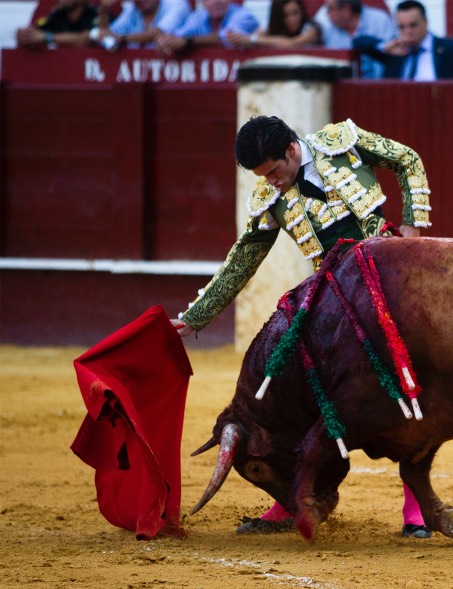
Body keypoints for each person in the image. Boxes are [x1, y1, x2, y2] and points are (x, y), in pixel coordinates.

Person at [170, 115, 433, 538]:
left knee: (409, 382)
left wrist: (413, 224)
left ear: (293, 150)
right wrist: (196, 316)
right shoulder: (268, 198)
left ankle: (417, 506)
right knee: (299, 388)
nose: (271, 182)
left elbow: (407, 159)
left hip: (390, 278)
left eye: (274, 171)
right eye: (263, 176)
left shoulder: (340, 143)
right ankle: (291, 498)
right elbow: (243, 258)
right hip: (334, 295)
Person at [353, 0, 453, 80]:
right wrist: (384, 47)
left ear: (426, 23)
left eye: (413, 25)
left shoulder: (449, 49)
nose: (408, 31)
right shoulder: (395, 51)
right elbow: (359, 42)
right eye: (402, 27)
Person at [305, 0, 397, 79]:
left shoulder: (380, 21)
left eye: (329, 9)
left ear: (346, 10)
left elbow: (394, 57)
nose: (326, 14)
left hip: (379, 90)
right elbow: (303, 37)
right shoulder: (328, 26)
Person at [154, 0, 258, 56]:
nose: (217, 1)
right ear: (202, 2)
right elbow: (179, 36)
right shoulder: (199, 16)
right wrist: (165, 41)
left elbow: (227, 38)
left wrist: (187, 41)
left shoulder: (243, 15)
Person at [89, 0, 190, 51]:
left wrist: (121, 39)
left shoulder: (177, 4)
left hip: (170, 75)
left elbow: (157, 33)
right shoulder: (131, 9)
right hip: (133, 77)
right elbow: (106, 37)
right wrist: (103, 10)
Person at [225, 0, 318, 50]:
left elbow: (292, 43)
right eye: (285, 15)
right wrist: (239, 40)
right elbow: (251, 39)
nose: (292, 19)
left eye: (295, 13)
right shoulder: (270, 25)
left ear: (302, 11)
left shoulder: (312, 28)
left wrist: (252, 39)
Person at [16, 0, 98, 49]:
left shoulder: (96, 13)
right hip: (64, 68)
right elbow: (37, 32)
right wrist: (26, 35)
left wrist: (47, 37)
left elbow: (87, 39)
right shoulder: (57, 14)